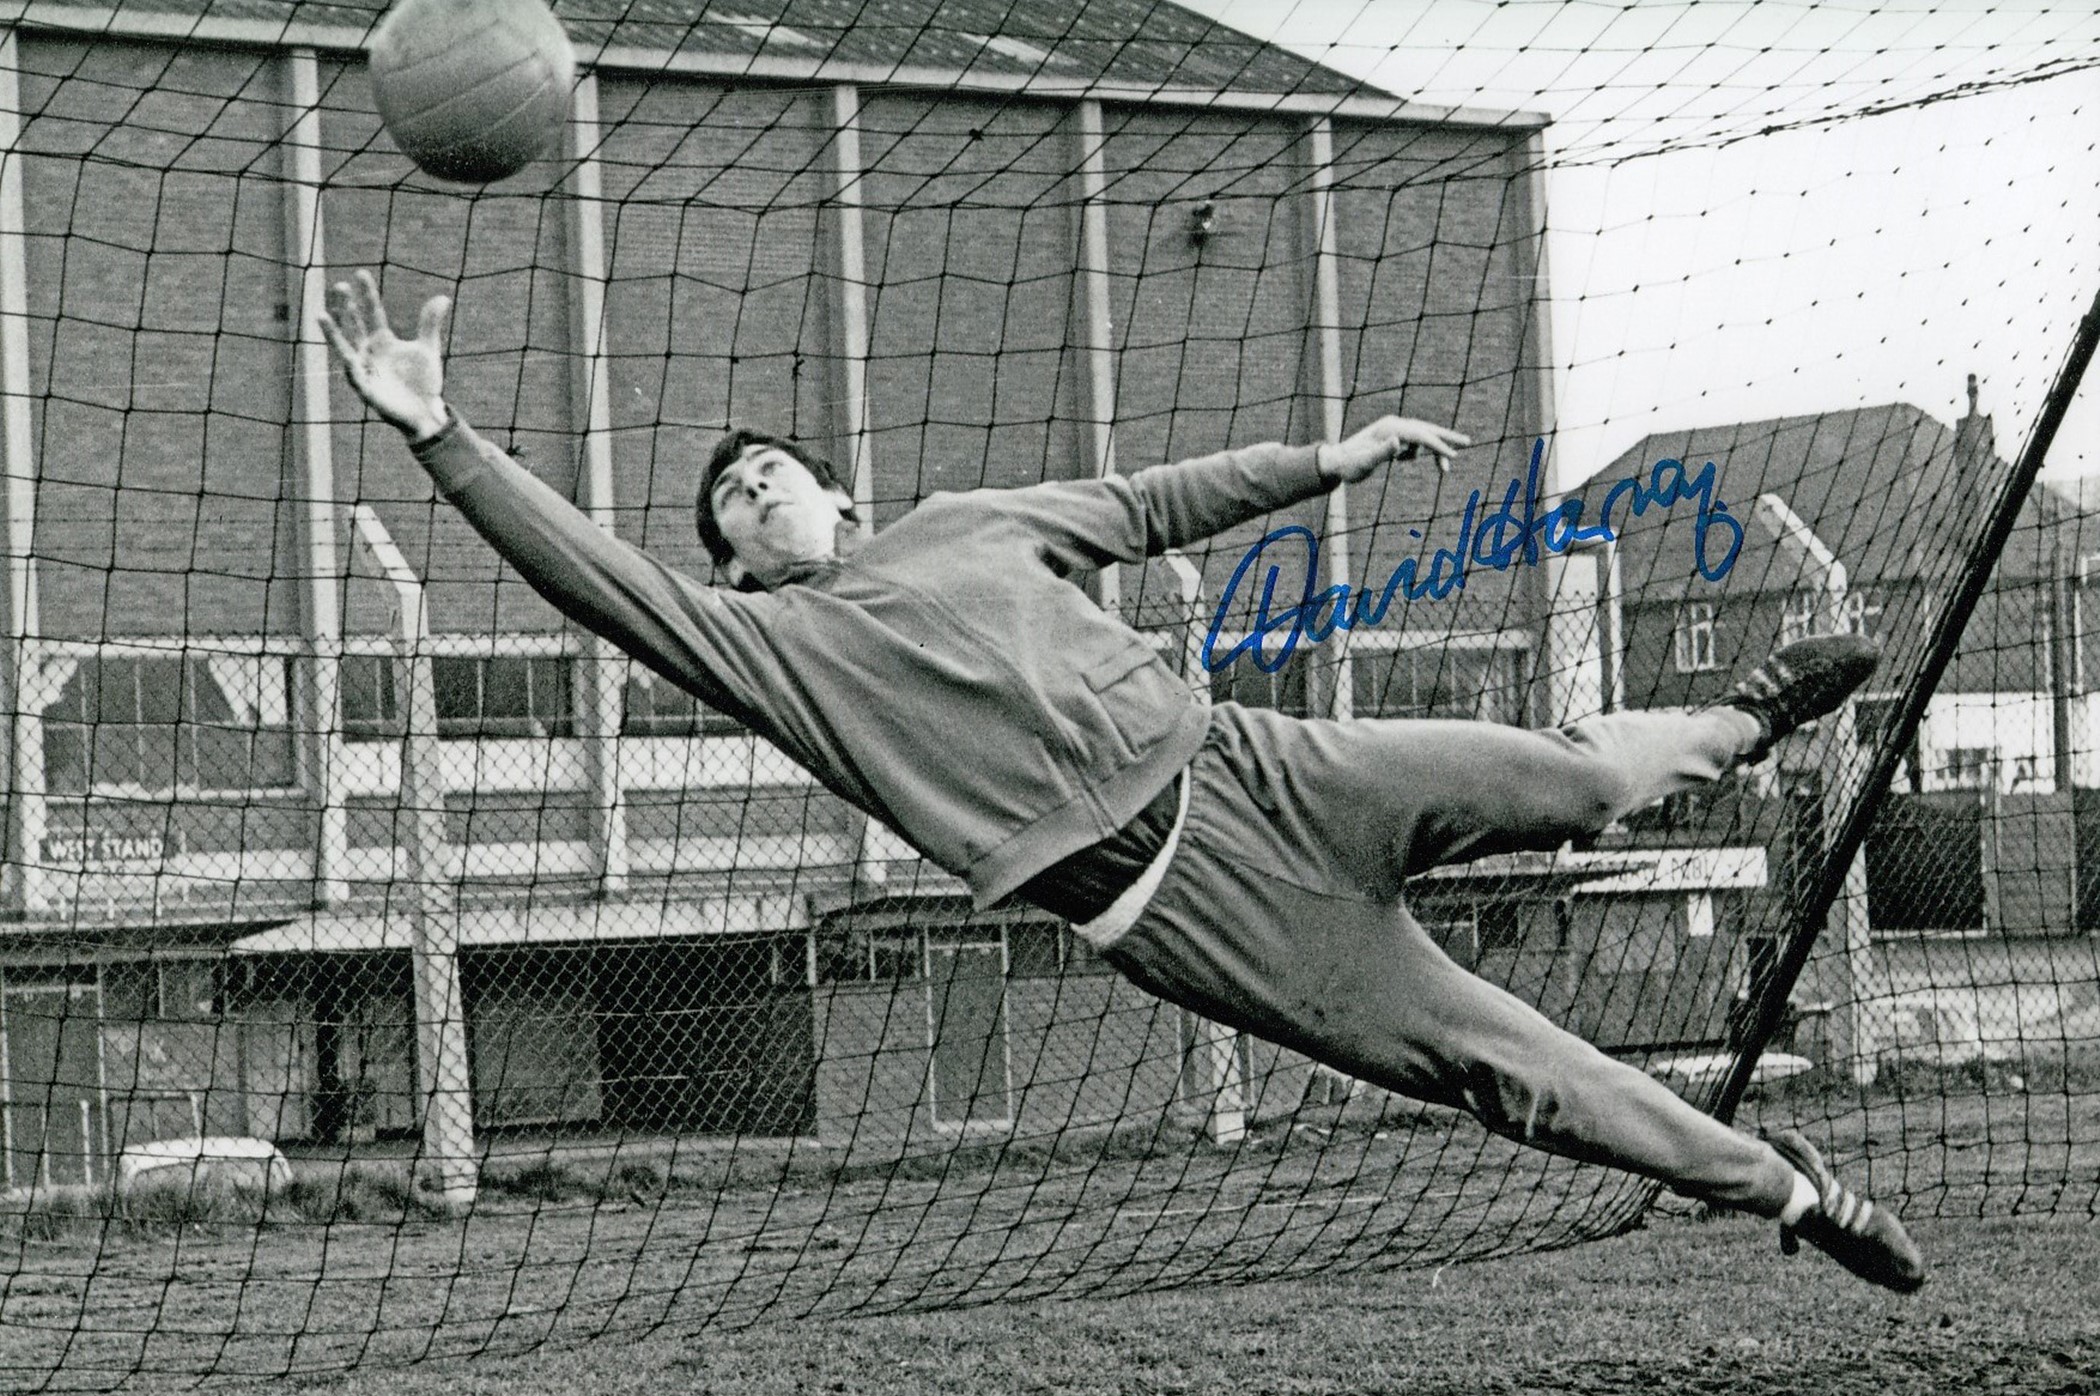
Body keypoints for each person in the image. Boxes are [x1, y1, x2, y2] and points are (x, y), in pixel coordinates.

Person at [318, 271, 1925, 1294]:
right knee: (1513, 1070)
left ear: (839, 489)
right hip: (1181, 907)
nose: (749, 492)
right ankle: (1788, 1188)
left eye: (767, 470)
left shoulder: (967, 520)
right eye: (728, 506)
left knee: (1572, 781)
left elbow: (1147, 501)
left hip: (1262, 768)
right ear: (732, 575)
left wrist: (1324, 460)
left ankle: (1738, 724)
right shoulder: (772, 657)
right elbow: (594, 579)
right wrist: (443, 434)